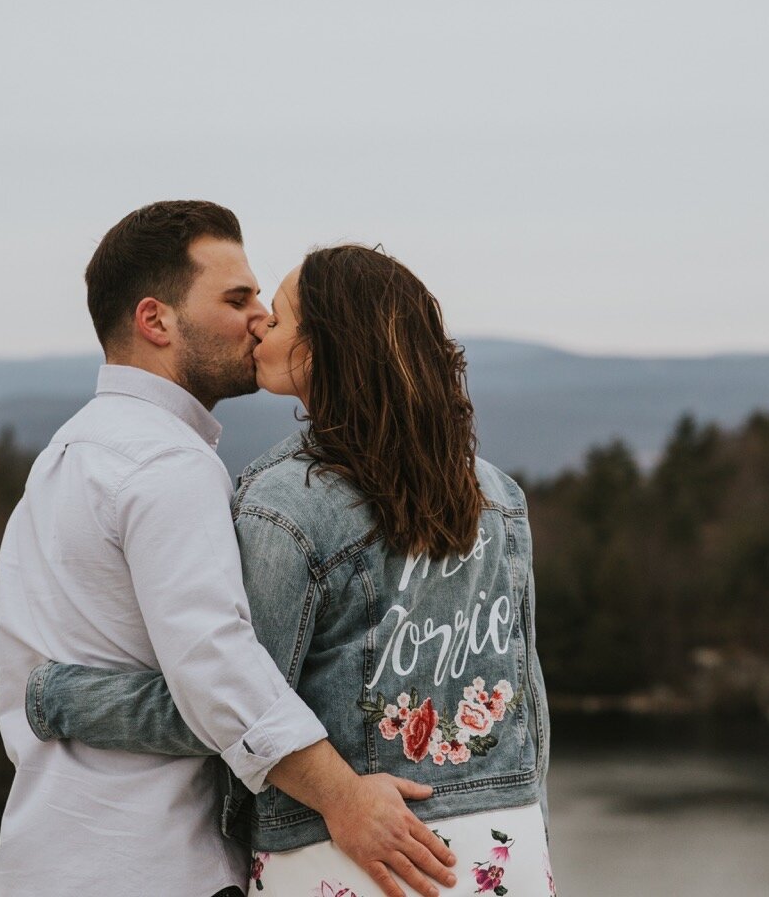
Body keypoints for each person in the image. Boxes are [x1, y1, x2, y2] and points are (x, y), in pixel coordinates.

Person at [28, 244, 555, 896]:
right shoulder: (499, 496)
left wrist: (59, 697)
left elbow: (229, 705)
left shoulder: (285, 507)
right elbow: (527, 704)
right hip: (506, 848)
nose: (258, 327)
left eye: (276, 319)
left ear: (320, 350)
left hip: (350, 858)